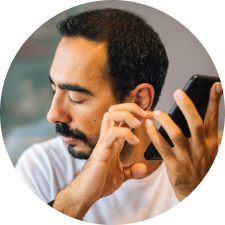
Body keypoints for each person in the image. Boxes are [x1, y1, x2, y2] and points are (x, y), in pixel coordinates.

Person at [15, 8, 222, 223]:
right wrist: (76, 199)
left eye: (76, 97)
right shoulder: (43, 165)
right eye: (54, 89)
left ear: (139, 100)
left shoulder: (203, 166)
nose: (53, 114)